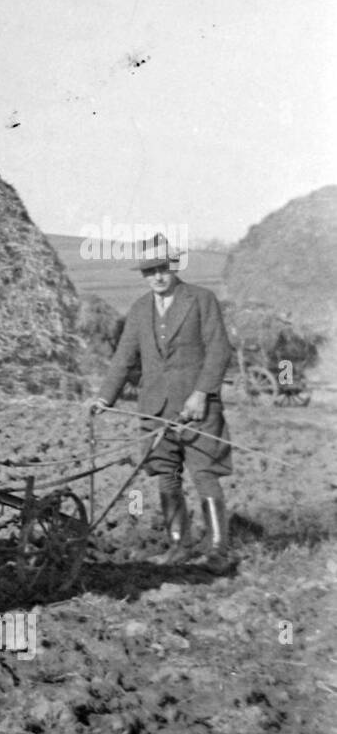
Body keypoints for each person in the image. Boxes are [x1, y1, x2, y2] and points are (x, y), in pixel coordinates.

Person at [89, 235, 235, 572]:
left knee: (204, 473)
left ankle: (218, 551)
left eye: (162, 268)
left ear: (174, 267)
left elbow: (219, 350)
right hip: (154, 408)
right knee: (166, 475)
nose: (157, 276)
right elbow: (124, 357)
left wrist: (202, 393)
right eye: (149, 270)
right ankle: (179, 545)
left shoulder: (201, 299)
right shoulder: (140, 309)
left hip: (198, 409)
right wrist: (104, 396)